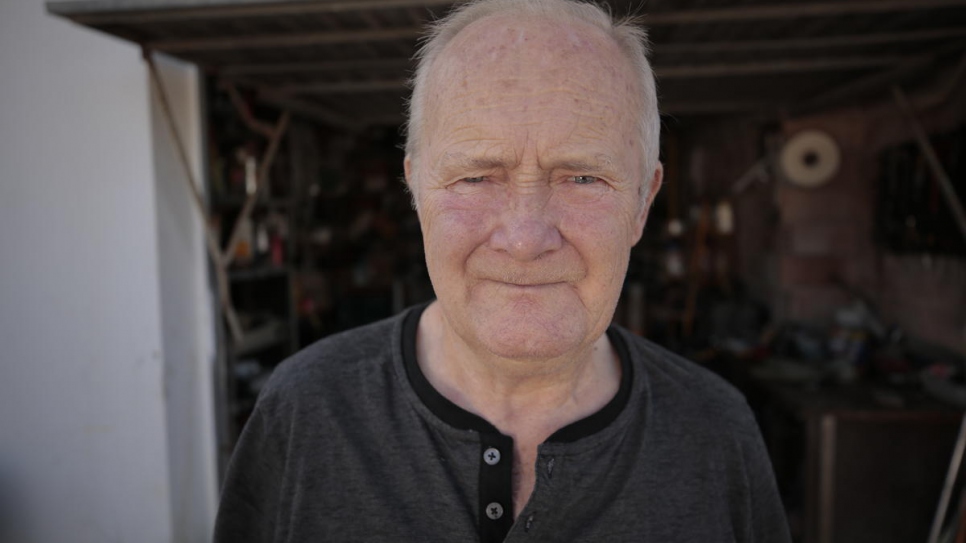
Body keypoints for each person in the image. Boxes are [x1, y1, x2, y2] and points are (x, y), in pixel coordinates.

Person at [214, 0, 791, 541]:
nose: (524, 239)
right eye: (475, 176)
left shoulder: (717, 431)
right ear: (416, 190)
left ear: (642, 202)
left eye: (583, 177)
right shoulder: (304, 409)